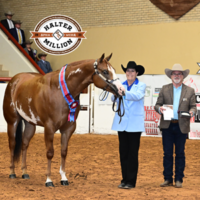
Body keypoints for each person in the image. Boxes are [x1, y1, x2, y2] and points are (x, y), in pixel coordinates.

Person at [155, 64, 196, 188]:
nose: (177, 76)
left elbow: (193, 107)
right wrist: (160, 109)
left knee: (180, 154)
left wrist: (192, 112)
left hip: (181, 126)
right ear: (171, 76)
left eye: (179, 73)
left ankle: (179, 179)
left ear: (183, 76)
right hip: (167, 126)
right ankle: (167, 179)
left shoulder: (190, 91)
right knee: (167, 154)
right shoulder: (164, 88)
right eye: (174, 73)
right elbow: (157, 105)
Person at [111, 61, 146, 189]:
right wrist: (116, 92)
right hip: (122, 124)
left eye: (132, 71)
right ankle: (124, 179)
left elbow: (137, 96)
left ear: (137, 73)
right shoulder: (121, 84)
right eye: (128, 71)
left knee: (132, 153)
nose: (130, 73)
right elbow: (113, 99)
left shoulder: (141, 85)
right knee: (123, 153)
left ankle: (131, 181)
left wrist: (123, 91)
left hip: (135, 125)